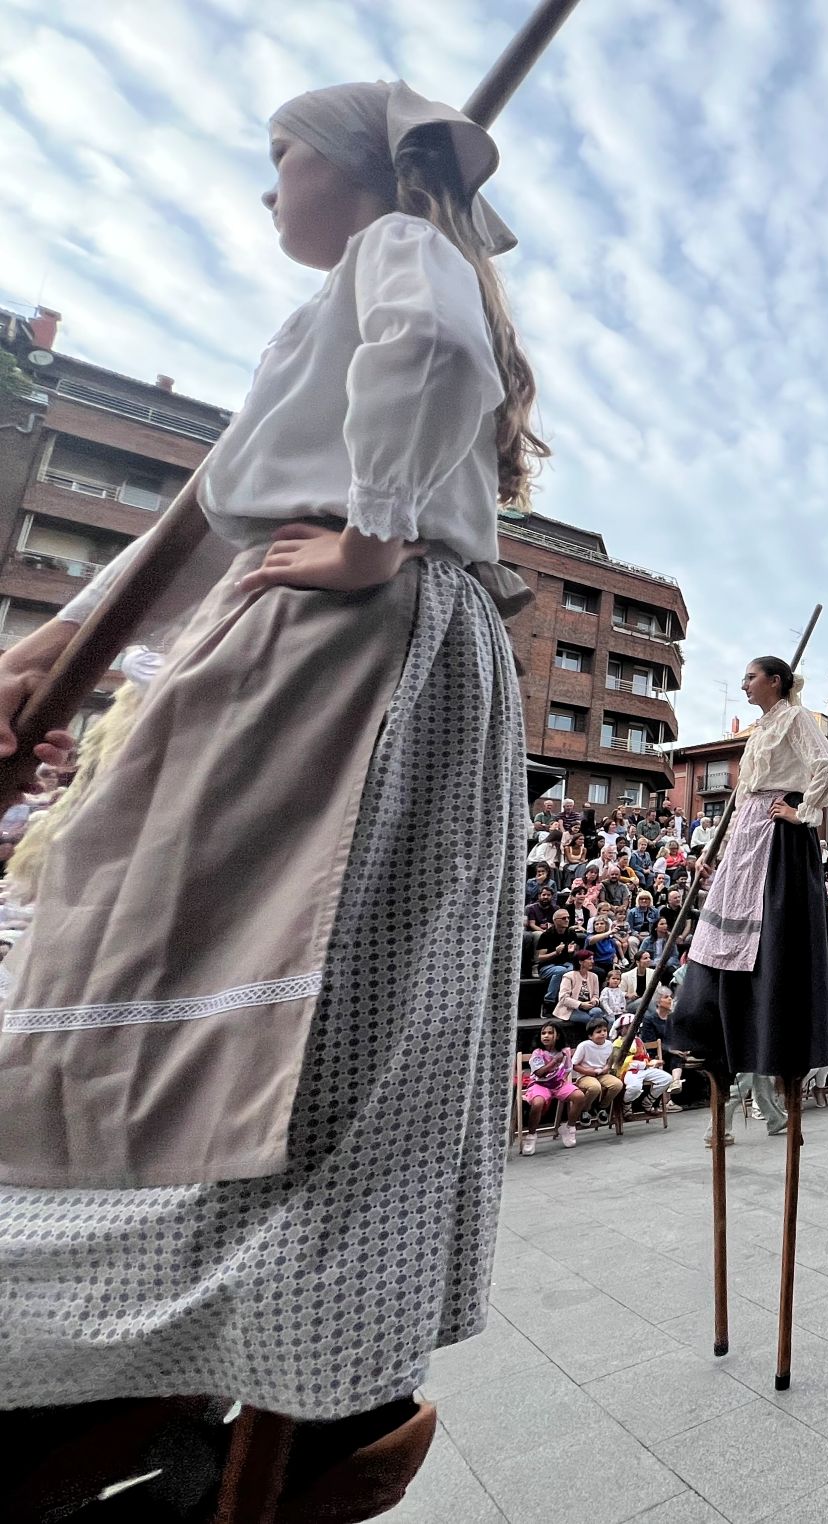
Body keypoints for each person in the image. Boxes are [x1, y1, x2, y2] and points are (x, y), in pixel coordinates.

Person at [0, 79, 535, 1487]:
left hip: (350, 649)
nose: (265, 186)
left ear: (361, 171)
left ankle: (276, 1363)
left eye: (282, 155)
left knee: (303, 995)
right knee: (262, 988)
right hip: (329, 628)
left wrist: (373, 533)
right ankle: (238, 1355)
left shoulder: (394, 256)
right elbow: (221, 509)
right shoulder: (326, 313)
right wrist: (59, 638)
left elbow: (434, 356)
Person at [671, 657, 828, 1083]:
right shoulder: (760, 731)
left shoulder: (795, 718)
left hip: (776, 833)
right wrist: (718, 849)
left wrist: (803, 810)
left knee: (770, 927)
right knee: (720, 928)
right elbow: (742, 797)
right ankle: (712, 1029)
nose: (745, 684)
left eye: (751, 677)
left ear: (775, 681)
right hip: (747, 830)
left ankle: (771, 1034)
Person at [521, 1023, 584, 1154]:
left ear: (558, 1036)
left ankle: (569, 1127)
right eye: (543, 1033)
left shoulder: (564, 1051)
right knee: (537, 1103)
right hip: (540, 1085)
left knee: (579, 1096)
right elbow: (539, 1073)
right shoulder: (537, 1053)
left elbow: (567, 1068)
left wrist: (562, 1078)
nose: (546, 1036)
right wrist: (555, 1061)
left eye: (550, 1033)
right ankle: (531, 1135)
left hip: (558, 1084)